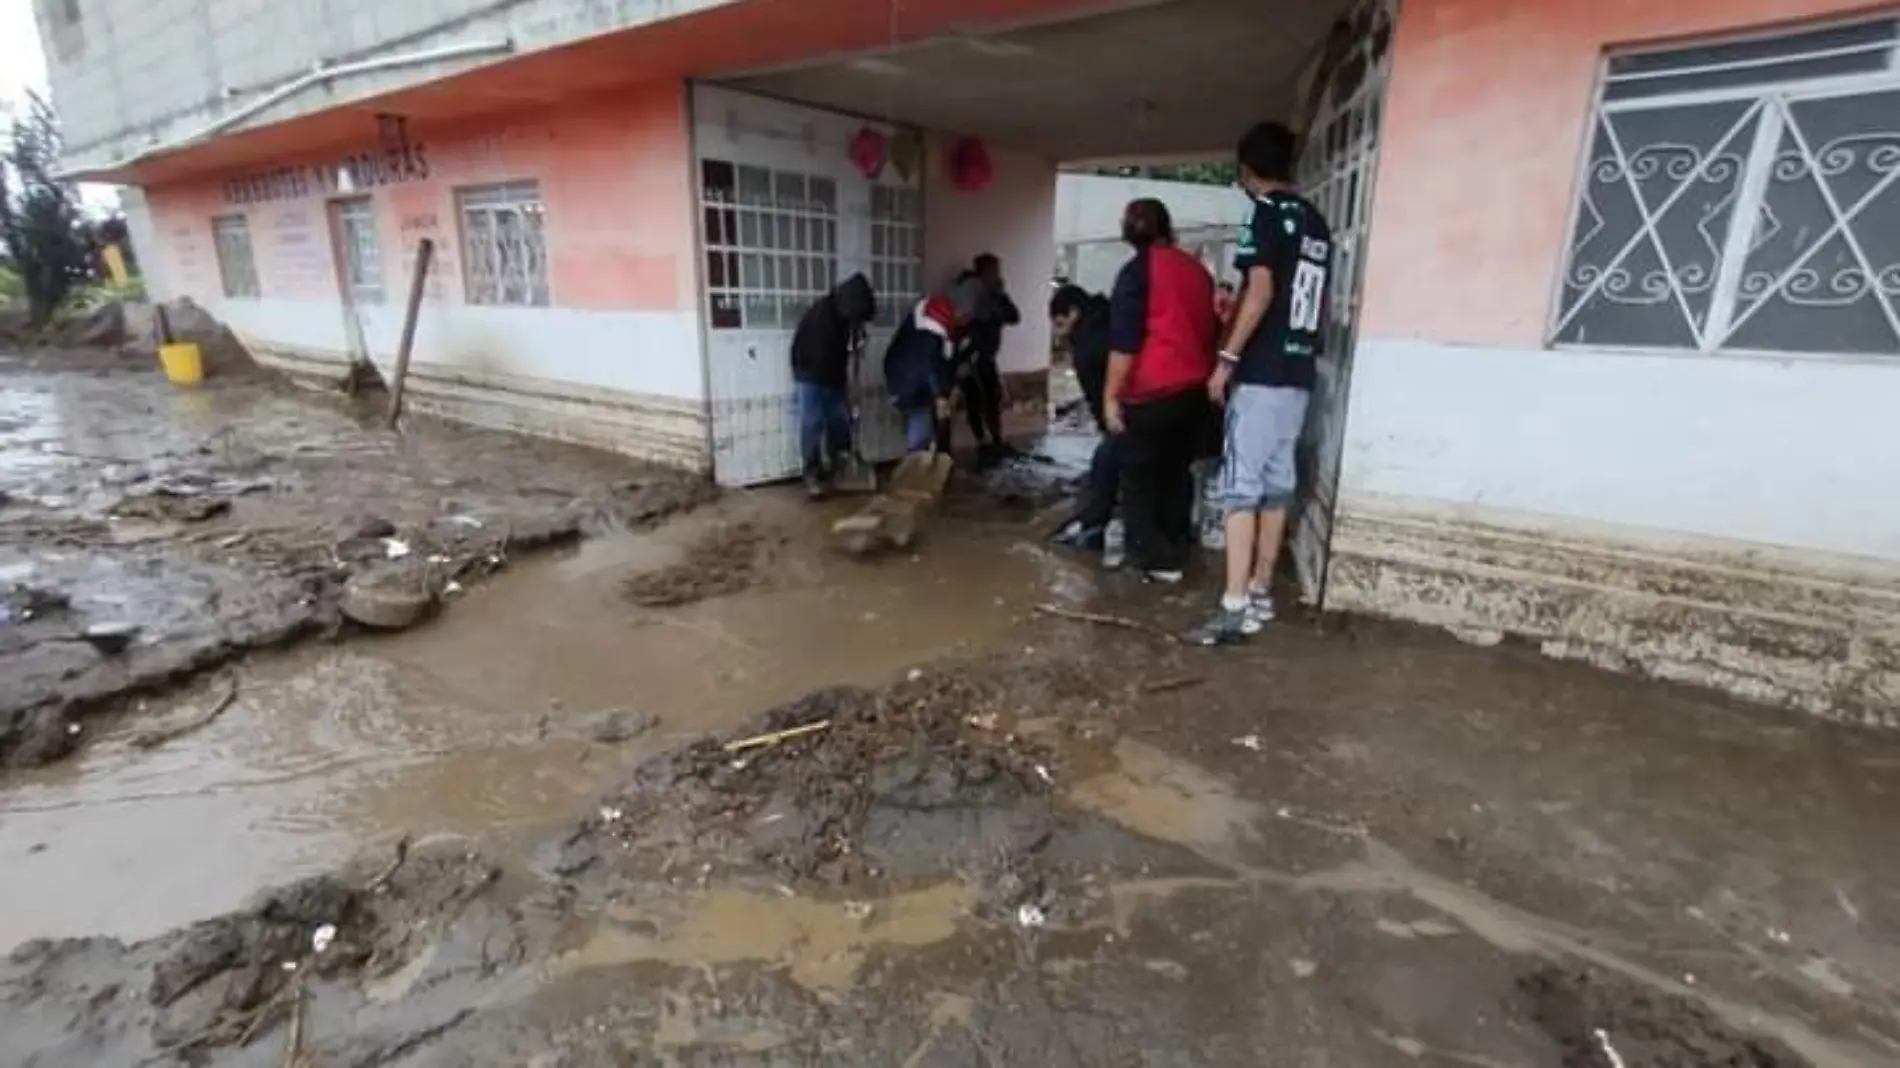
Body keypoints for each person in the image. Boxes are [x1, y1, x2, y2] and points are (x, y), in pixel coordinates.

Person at [1190, 120, 1335, 646]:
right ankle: (1259, 592)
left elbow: (1261, 289)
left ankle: (1232, 610)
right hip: (1298, 374)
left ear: (1247, 171)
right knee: (1277, 487)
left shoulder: (1264, 213)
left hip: (1262, 373)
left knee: (1239, 492)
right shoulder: (1317, 222)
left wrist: (1226, 358)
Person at [1103, 199, 1219, 584]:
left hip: (1152, 391)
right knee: (1175, 471)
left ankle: (1152, 559)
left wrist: (1109, 397)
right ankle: (1177, 545)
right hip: (1194, 392)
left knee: (1138, 477)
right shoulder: (1197, 271)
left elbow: (1125, 342)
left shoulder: (1137, 272)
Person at [789, 272, 876, 498]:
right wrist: (844, 387)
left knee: (839, 419)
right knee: (813, 420)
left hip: (830, 372)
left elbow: (845, 353)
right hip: (809, 369)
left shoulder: (845, 315)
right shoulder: (822, 319)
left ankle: (842, 464)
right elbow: (826, 359)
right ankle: (812, 473)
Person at [1046, 284, 1117, 550]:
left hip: (1125, 415)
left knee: (1105, 465)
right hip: (1150, 407)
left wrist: (1107, 423)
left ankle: (1093, 531)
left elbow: (1097, 393)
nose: (1057, 330)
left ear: (1074, 313)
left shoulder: (1089, 342)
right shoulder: (1109, 319)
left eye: (1060, 322)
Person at [950, 254, 1022, 469]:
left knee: (990, 398)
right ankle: (984, 444)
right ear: (985, 272)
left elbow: (1014, 316)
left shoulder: (991, 293)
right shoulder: (973, 292)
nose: (998, 275)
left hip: (985, 354)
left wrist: (1001, 295)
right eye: (995, 271)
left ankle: (994, 442)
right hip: (971, 354)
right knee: (978, 398)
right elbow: (967, 322)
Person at [883, 292, 966, 454]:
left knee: (927, 422)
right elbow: (931, 366)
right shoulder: (928, 340)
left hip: (910, 382)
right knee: (919, 425)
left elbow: (945, 364)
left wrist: (951, 389)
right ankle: (917, 461)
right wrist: (941, 395)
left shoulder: (930, 331)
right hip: (908, 386)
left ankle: (928, 454)